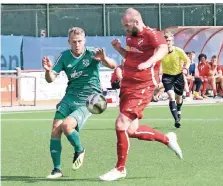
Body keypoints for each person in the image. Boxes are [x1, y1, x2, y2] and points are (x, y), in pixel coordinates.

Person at [99, 8, 183, 182]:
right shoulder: (131, 37)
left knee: (121, 123)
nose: (125, 30)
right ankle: (167, 139)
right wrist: (119, 48)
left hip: (143, 86)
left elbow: (162, 49)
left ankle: (120, 169)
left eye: (127, 26)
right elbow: (131, 56)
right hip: (127, 86)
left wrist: (149, 62)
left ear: (136, 22)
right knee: (131, 130)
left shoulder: (153, 34)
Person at [42, 27, 116, 179]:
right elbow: (50, 79)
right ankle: (57, 170)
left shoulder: (93, 53)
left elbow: (113, 65)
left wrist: (104, 59)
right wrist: (48, 70)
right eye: (74, 41)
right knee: (56, 129)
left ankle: (80, 149)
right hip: (69, 98)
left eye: (80, 41)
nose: (77, 44)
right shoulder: (63, 57)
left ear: (85, 41)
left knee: (66, 126)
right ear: (69, 41)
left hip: (89, 99)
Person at [161, 31, 190, 128]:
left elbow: (187, 60)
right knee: (171, 95)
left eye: (169, 40)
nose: (167, 42)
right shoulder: (160, 52)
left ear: (172, 41)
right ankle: (176, 120)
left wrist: (185, 69)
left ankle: (179, 110)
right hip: (167, 76)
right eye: (165, 40)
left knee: (179, 98)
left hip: (178, 75)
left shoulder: (178, 51)